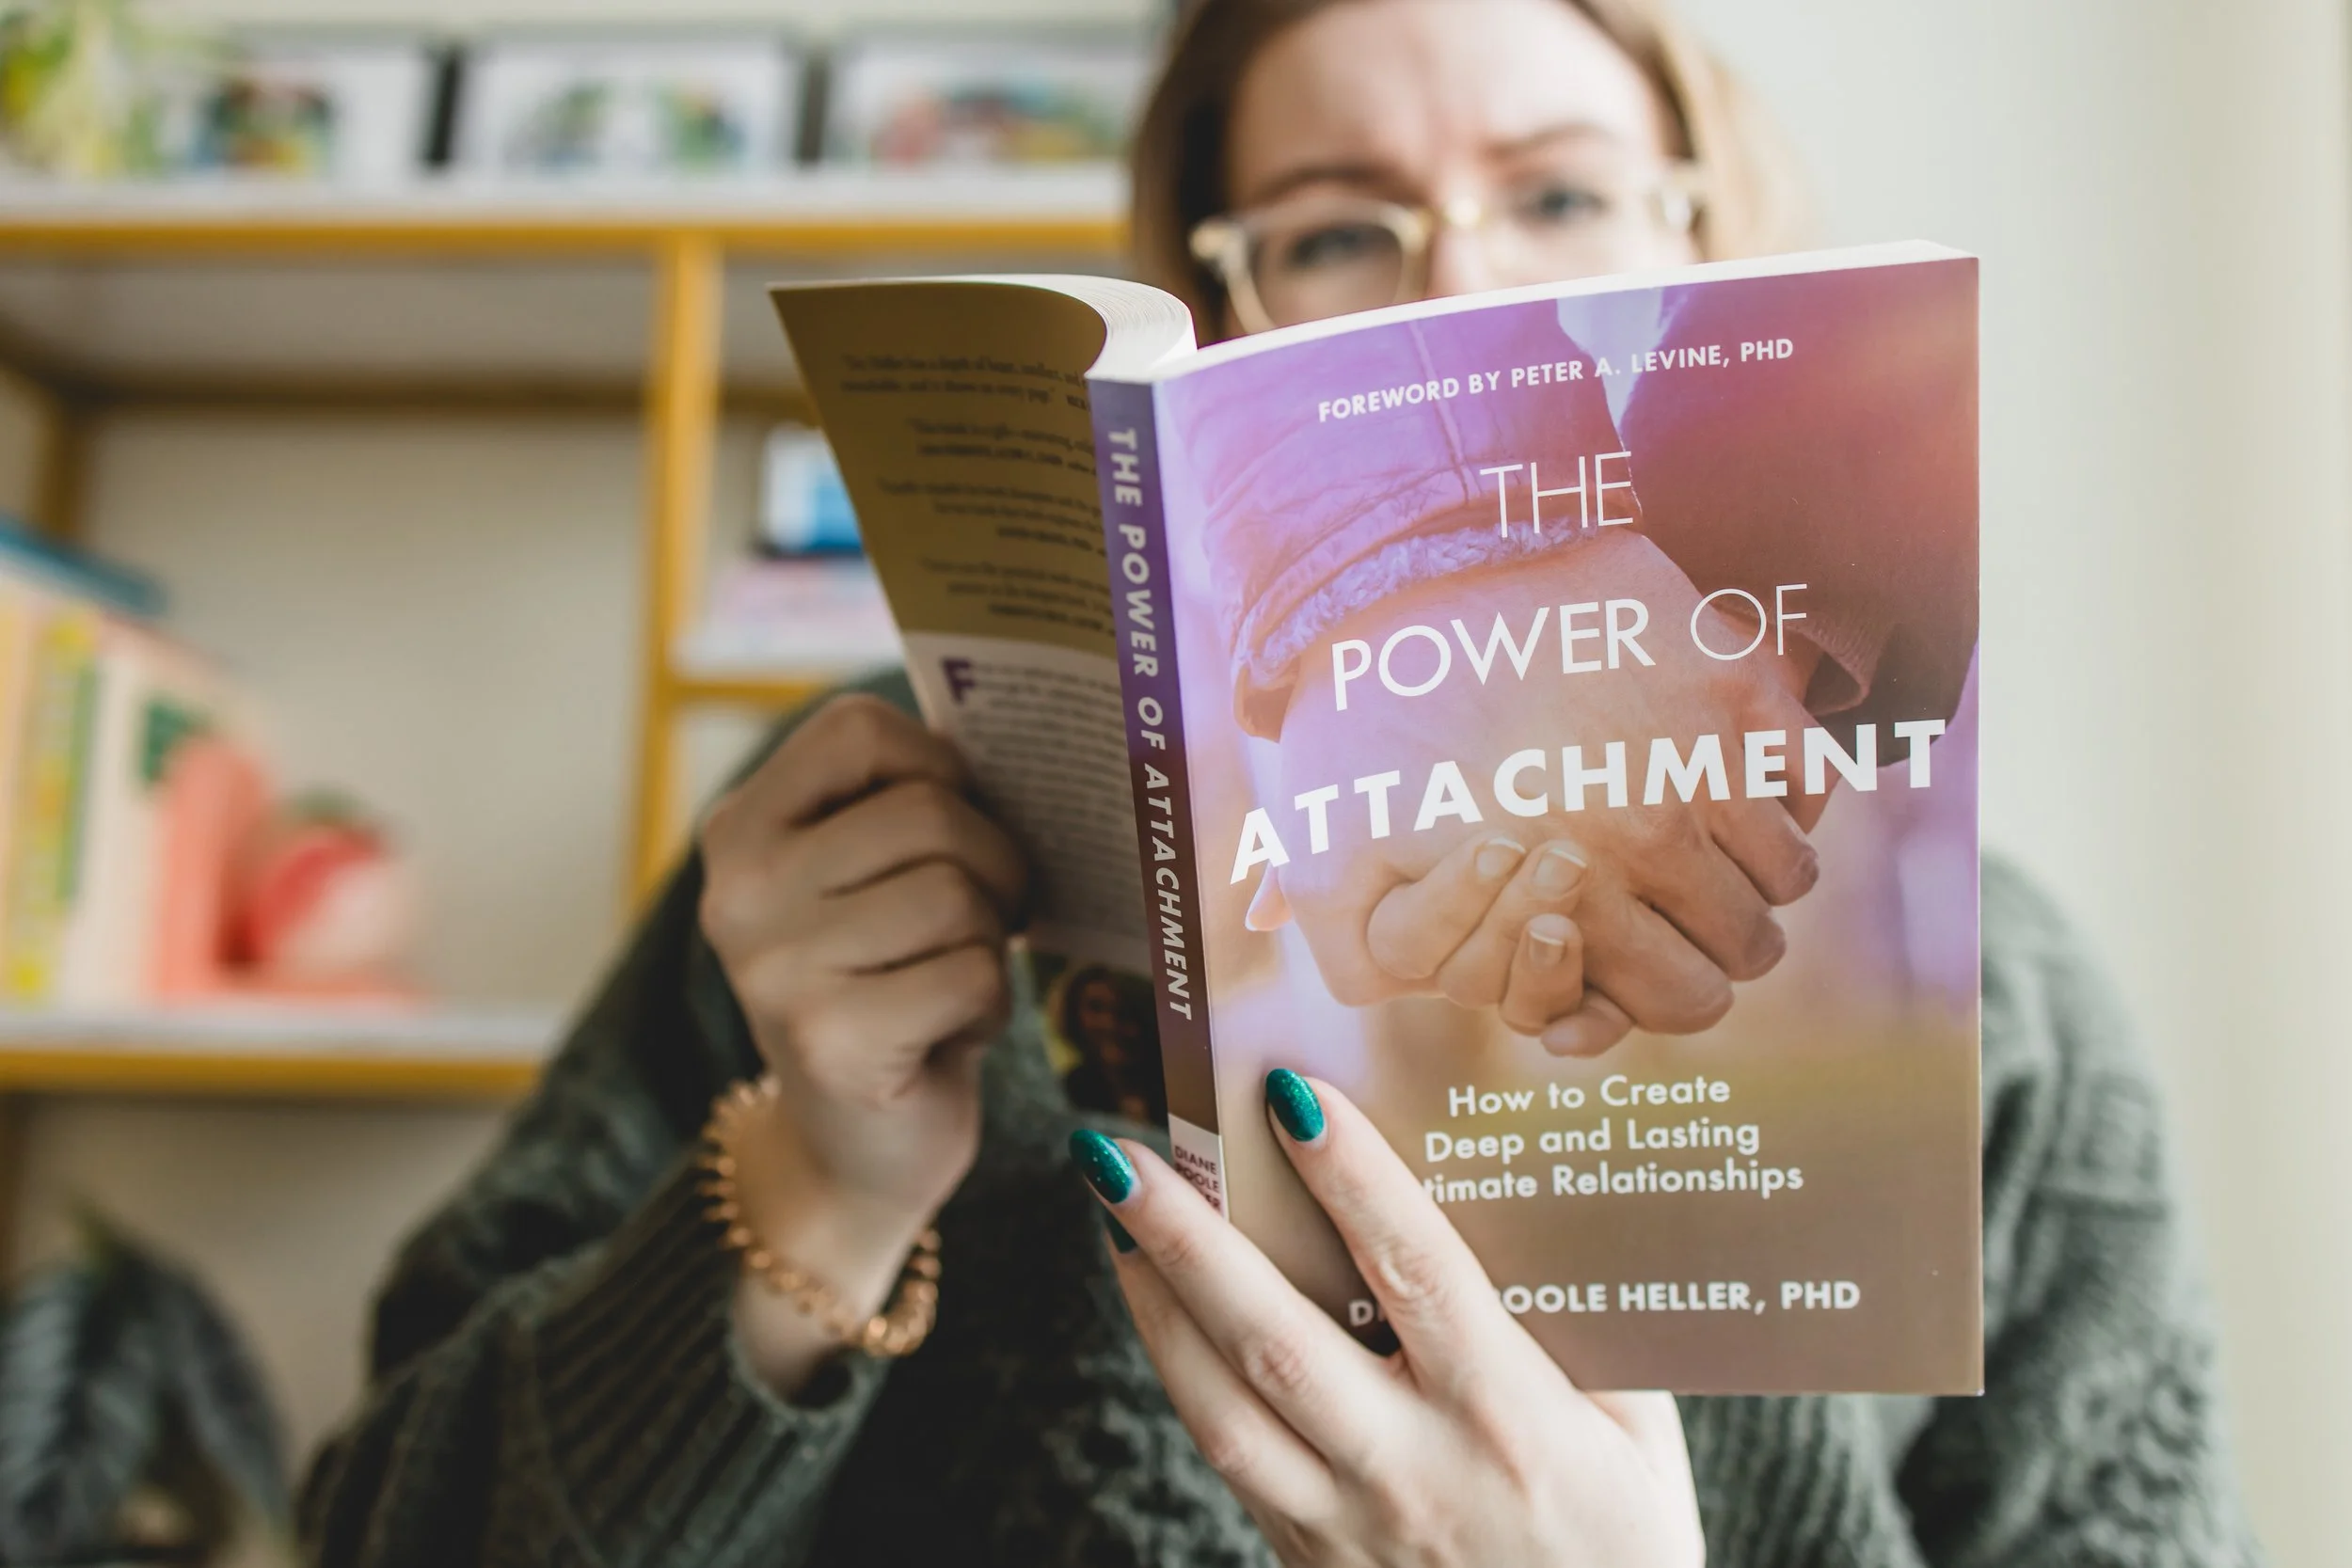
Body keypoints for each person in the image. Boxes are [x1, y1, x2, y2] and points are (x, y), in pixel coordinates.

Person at [299, 2, 2264, 1564]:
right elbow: (390, 1523)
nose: (1450, 280)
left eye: (1562, 195)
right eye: (1335, 225)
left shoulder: (1998, 1018)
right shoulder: (872, 859)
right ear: (1215, 320)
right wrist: (822, 1177)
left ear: (1705, 249)